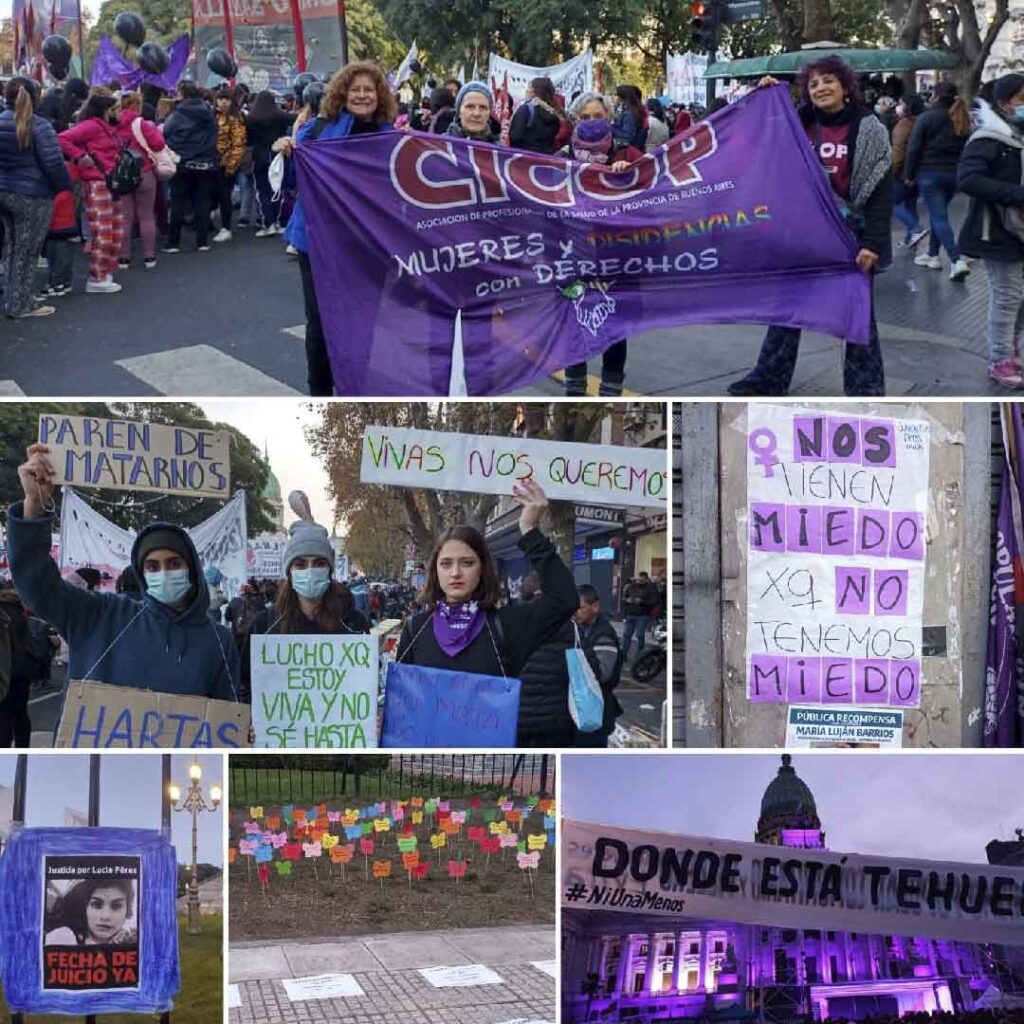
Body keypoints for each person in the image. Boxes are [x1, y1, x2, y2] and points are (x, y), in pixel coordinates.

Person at [7, 444, 241, 704]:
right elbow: (36, 583)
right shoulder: (100, 615)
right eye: (153, 566)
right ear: (141, 574)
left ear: (193, 569)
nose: (164, 573)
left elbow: (226, 718)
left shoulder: (219, 641)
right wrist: (34, 506)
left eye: (174, 563)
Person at [728, 57, 893, 397]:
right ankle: (767, 380)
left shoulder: (869, 127)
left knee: (858, 317)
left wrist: (873, 244)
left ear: (846, 86)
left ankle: (866, 390)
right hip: (804, 234)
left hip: (852, 237)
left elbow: (880, 189)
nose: (821, 88)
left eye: (828, 80)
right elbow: (762, 125)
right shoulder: (800, 121)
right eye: (814, 84)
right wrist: (766, 93)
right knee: (788, 309)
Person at [395, 481, 579, 722]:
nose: (456, 573)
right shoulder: (416, 628)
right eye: (446, 564)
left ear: (483, 569)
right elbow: (401, 699)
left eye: (467, 563)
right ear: (435, 571)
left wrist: (530, 531)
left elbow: (564, 599)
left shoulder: (507, 626)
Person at [274, 61, 397, 396]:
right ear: (343, 93)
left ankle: (356, 385)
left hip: (367, 245)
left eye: (368, 90)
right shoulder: (317, 129)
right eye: (355, 89)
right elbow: (292, 184)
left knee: (365, 321)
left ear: (379, 94)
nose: (361, 95)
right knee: (320, 322)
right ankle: (320, 392)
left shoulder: (392, 137)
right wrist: (285, 153)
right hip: (317, 241)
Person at [240, 506, 368, 701]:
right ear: (289, 571)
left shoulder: (353, 624)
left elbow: (365, 688)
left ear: (329, 569)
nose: (310, 571)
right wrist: (250, 721)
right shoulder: (264, 625)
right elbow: (245, 685)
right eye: (300, 564)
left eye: (319, 563)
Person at [560, 93, 642, 396]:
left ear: (609, 117)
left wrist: (629, 175)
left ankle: (610, 391)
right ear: (575, 119)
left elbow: (651, 188)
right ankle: (575, 389)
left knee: (616, 325)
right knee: (575, 323)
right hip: (574, 253)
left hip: (617, 255)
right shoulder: (561, 155)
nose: (592, 121)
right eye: (585, 117)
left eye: (598, 116)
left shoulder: (626, 152)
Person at [958, 74, 1024, 388]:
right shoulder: (989, 138)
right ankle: (1000, 359)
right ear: (1004, 104)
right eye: (1022, 100)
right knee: (1008, 296)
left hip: (1020, 230)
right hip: (998, 231)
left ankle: (1017, 355)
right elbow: (969, 180)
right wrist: (1016, 194)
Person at [0, 76, 70, 318]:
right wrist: (64, 187)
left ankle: (14, 297)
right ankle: (21, 303)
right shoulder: (39, 125)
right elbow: (53, 163)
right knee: (28, 251)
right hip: (33, 195)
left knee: (11, 248)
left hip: (5, 192)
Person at [58, 87, 126, 294]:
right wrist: (79, 157)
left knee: (114, 230)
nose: (118, 112)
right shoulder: (91, 126)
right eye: (115, 108)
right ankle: (97, 276)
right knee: (104, 231)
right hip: (98, 182)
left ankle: (103, 271)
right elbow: (62, 138)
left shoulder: (104, 126)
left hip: (110, 182)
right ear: (104, 109)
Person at [905, 80, 971, 281]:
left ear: (936, 96)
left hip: (929, 174)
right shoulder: (961, 118)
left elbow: (914, 147)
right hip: (953, 175)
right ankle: (932, 255)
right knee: (938, 215)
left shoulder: (926, 118)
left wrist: (908, 174)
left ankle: (956, 260)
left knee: (939, 216)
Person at [162, 81, 219, 253]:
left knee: (178, 202)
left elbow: (166, 133)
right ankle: (202, 241)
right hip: (206, 163)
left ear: (183, 94)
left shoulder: (177, 114)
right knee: (202, 202)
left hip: (183, 163)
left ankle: (173, 243)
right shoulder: (209, 113)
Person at [115, 91, 165, 270]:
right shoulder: (141, 123)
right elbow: (158, 144)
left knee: (125, 217)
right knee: (146, 216)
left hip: (122, 173)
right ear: (138, 105)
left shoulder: (112, 123)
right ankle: (149, 256)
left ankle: (123, 258)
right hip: (143, 172)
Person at [572, 584, 623, 747]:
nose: (575, 613)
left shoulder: (603, 635)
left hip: (595, 711)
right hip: (583, 710)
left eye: (580, 608)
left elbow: (602, 674)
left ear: (595, 607)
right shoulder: (580, 629)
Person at [245, 90, 292, 236]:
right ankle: (279, 222)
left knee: (263, 192)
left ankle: (268, 223)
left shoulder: (251, 118)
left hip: (259, 157)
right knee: (278, 189)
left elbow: (248, 140)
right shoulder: (281, 116)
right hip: (278, 155)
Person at [45, 878, 136, 946]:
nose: (106, 916)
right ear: (80, 907)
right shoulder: (62, 937)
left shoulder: (132, 941)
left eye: (116, 906)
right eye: (96, 905)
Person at [891, 94, 929, 250]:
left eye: (901, 103)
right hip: (919, 170)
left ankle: (915, 229)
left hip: (902, 171)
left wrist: (892, 169)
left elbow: (898, 150)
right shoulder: (923, 122)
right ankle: (910, 239)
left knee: (892, 202)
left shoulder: (904, 125)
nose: (898, 106)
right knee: (910, 203)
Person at [212, 86, 247, 244]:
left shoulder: (236, 118)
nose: (223, 102)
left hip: (227, 164)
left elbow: (239, 144)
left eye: (226, 99)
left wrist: (231, 165)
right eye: (221, 99)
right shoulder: (212, 116)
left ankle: (226, 228)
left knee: (225, 197)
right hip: (212, 163)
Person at [509, 77, 566, 154]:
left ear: (533, 91)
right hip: (546, 159)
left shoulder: (526, 110)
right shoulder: (557, 114)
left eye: (529, 87)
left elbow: (515, 137)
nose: (527, 90)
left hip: (524, 158)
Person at [621, 571, 656, 662]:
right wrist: (628, 600)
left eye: (641, 580)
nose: (639, 581)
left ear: (645, 579)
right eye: (638, 579)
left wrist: (641, 601)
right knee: (627, 635)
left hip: (642, 615)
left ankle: (640, 655)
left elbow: (653, 601)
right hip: (630, 614)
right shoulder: (631, 586)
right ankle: (623, 654)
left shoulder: (650, 588)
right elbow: (624, 598)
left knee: (640, 635)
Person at [613, 85, 647, 151]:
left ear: (622, 97)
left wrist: (609, 128)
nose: (613, 97)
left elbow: (628, 137)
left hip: (629, 151)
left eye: (615, 95)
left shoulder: (629, 114)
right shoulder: (631, 111)